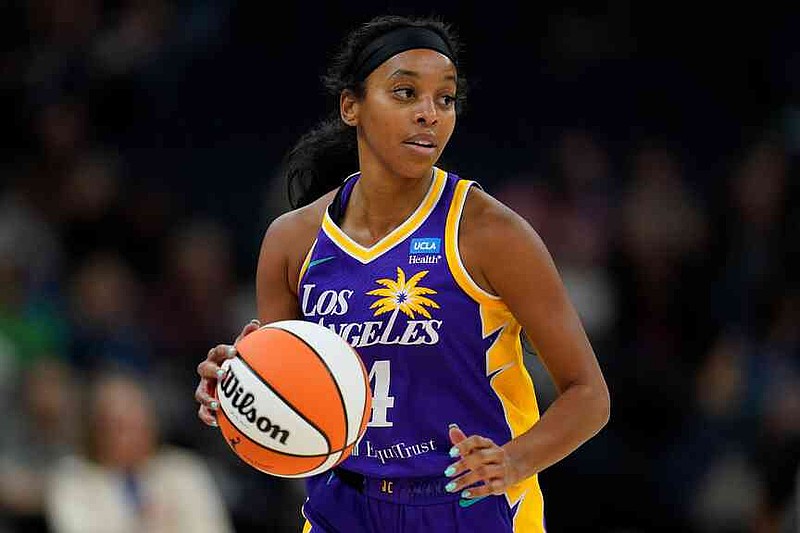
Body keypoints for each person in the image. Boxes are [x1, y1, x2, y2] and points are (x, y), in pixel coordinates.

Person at [195, 15, 609, 532]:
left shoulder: (490, 232)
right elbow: (287, 390)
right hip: (342, 506)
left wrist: (515, 462)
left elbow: (590, 396)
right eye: (406, 93)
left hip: (469, 502)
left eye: (445, 99)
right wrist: (238, 390)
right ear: (352, 107)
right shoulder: (291, 240)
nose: (429, 114)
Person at [47, 372, 234, 533]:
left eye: (138, 423)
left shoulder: (184, 471)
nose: (132, 436)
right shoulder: (72, 481)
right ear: (96, 429)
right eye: (119, 425)